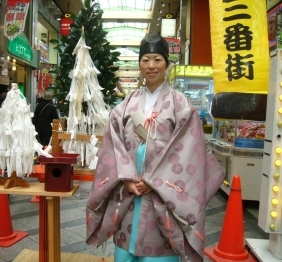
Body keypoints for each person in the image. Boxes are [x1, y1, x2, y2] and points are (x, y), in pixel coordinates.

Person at [86, 33, 225, 262]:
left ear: (167, 64)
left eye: (157, 60)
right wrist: (127, 179)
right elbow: (114, 143)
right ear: (139, 64)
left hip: (163, 193)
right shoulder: (128, 103)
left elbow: (189, 148)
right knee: (124, 250)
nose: (151, 66)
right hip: (129, 191)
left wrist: (155, 181)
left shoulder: (181, 104)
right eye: (146, 60)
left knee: (159, 251)